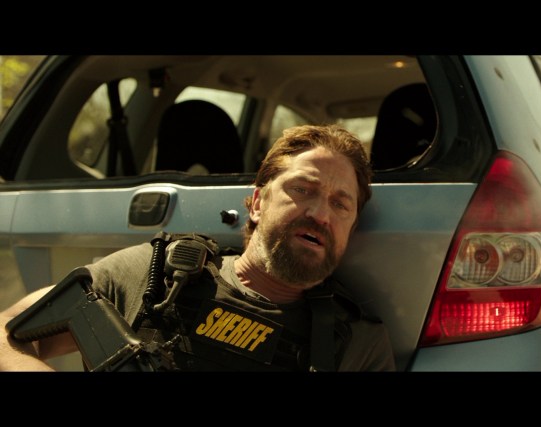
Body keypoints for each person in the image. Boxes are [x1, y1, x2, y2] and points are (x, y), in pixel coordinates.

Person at [0, 124, 395, 372]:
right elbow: (8, 333)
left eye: (340, 204)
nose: (320, 214)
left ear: (351, 228)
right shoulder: (155, 273)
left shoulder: (355, 342)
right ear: (258, 203)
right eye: (303, 190)